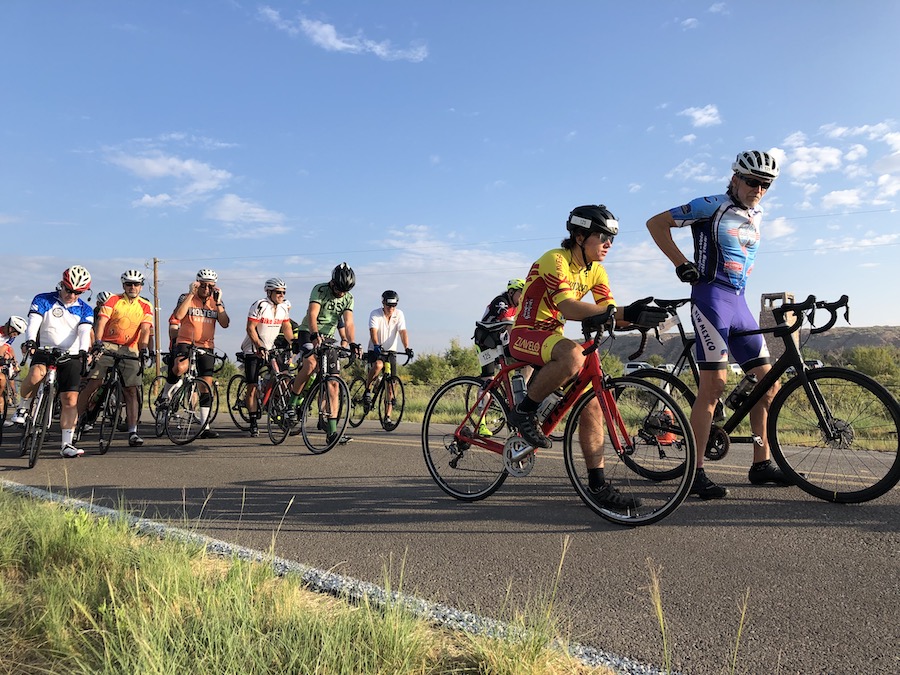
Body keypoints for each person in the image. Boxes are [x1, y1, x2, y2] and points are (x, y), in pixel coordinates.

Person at [646, 150, 791, 499]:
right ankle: (694, 473)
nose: (759, 188)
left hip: (739, 302)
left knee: (767, 384)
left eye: (766, 184)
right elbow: (656, 223)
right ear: (736, 178)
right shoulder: (710, 205)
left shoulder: (756, 214)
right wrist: (681, 263)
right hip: (711, 299)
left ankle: (761, 463)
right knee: (714, 386)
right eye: (753, 181)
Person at [507, 205, 668, 509]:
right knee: (573, 356)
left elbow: (609, 311)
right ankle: (524, 412)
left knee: (592, 403)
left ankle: (597, 485)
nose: (609, 244)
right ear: (580, 236)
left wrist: (641, 318)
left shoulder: (596, 270)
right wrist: (620, 313)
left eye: (612, 239)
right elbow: (569, 308)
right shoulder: (555, 260)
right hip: (526, 334)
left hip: (552, 337)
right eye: (603, 237)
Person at [13, 266, 94, 457]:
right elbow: (34, 322)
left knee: (70, 399)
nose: (71, 295)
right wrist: (31, 340)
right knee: (35, 375)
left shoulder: (85, 309)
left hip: (71, 355)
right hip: (46, 350)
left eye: (77, 292)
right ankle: (23, 408)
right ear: (62, 285)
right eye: (68, 290)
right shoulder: (43, 299)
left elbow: (84, 332)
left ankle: (67, 444)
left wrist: (83, 351)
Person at [287, 263, 361, 445]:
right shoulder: (319, 289)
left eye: (345, 291)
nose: (341, 294)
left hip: (328, 338)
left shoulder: (348, 298)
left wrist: (352, 343)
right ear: (333, 283)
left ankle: (332, 432)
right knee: (311, 364)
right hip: (308, 331)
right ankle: (292, 403)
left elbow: (349, 323)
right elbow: (313, 314)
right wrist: (313, 334)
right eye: (339, 290)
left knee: (333, 384)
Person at [78, 270, 153, 447]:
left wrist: (143, 349)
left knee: (131, 390)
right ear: (123, 285)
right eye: (129, 284)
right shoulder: (114, 299)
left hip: (130, 349)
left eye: (136, 284)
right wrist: (98, 342)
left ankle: (133, 431)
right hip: (108, 345)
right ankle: (75, 422)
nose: (132, 287)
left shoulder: (145, 306)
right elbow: (102, 322)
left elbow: (145, 330)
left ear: (141, 286)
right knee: (94, 383)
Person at [162, 268, 230, 439]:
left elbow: (225, 323)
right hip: (186, 341)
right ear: (197, 284)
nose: (206, 289)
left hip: (206, 345)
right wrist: (191, 295)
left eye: (211, 286)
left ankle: (204, 426)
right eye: (203, 285)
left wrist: (219, 302)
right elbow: (178, 315)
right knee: (180, 367)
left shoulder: (215, 302)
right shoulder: (187, 298)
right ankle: (165, 395)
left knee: (205, 385)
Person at [241, 277, 294, 437]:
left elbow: (286, 327)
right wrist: (259, 345)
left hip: (270, 349)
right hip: (253, 349)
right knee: (252, 387)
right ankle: (253, 422)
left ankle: (275, 407)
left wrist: (292, 344)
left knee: (283, 377)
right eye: (278, 292)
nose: (281, 295)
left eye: (284, 292)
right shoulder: (260, 305)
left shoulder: (284, 307)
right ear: (269, 292)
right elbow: (250, 328)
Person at [363, 290, 413, 426]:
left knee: (391, 385)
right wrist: (376, 344)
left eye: (394, 306)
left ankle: (388, 417)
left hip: (391, 351)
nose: (391, 309)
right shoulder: (375, 314)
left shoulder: (399, 314)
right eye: (388, 305)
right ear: (383, 303)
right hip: (376, 348)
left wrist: (407, 347)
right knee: (378, 365)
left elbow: (403, 332)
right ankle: (367, 390)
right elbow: (373, 331)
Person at [0, 316, 27, 426]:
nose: (17, 335)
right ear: (10, 327)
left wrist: (13, 361)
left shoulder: (11, 337)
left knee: (2, 380)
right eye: (16, 332)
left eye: (19, 333)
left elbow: (6, 349)